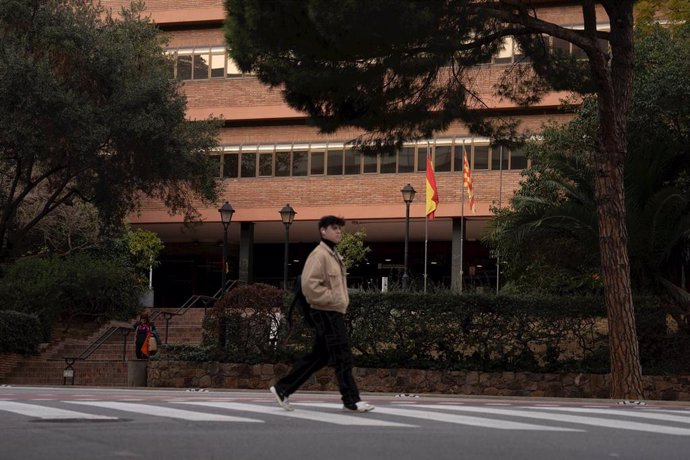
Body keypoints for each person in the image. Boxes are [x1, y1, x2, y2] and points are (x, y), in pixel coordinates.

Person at [270, 215, 374, 412]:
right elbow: (310, 286)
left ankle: (282, 388)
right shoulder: (320, 255)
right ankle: (351, 400)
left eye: (339, 229)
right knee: (342, 356)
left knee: (319, 357)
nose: (338, 232)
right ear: (323, 231)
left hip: (331, 312)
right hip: (327, 313)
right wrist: (333, 299)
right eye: (334, 228)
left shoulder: (332, 255)